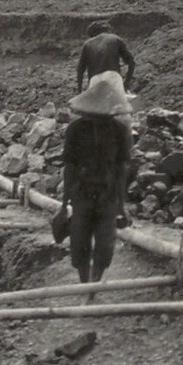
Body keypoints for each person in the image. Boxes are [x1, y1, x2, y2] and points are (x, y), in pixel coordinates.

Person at [62, 79, 134, 284]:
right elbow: (69, 167)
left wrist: (122, 204)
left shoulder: (120, 131)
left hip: (107, 195)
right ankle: (85, 284)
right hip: (82, 194)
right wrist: (64, 203)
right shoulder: (75, 130)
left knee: (105, 246)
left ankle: (93, 285)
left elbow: (121, 168)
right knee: (79, 243)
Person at [76, 20, 136, 96]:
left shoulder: (87, 44)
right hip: (112, 77)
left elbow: (80, 70)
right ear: (107, 29)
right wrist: (126, 83)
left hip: (95, 80)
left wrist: (79, 91)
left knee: (96, 103)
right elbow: (131, 62)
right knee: (117, 102)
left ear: (92, 33)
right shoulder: (115, 39)